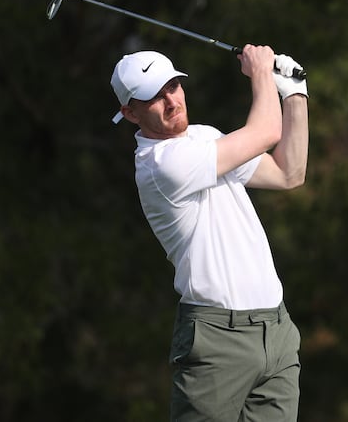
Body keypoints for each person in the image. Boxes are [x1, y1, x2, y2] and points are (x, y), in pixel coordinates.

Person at [110, 45, 308, 421]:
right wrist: (262, 72)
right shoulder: (161, 165)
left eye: (173, 86)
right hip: (217, 340)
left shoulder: (204, 138)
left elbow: (289, 173)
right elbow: (265, 130)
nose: (170, 101)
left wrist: (296, 92)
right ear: (130, 113)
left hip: (276, 331)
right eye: (154, 97)